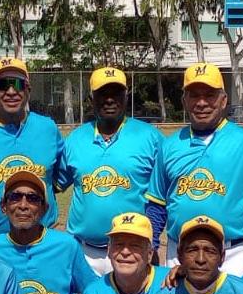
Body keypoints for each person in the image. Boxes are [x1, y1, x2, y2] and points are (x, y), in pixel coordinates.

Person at [148, 63, 243, 275]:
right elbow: (156, 203)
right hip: (180, 251)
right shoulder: (169, 145)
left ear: (223, 99)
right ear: (184, 101)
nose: (201, 103)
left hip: (234, 252)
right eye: (194, 95)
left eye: (210, 95)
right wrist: (152, 245)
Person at [61, 66, 165, 273]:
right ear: (91, 99)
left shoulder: (150, 137)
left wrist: (151, 243)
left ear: (126, 96)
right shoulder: (75, 139)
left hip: (131, 252)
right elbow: (53, 184)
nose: (109, 99)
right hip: (83, 252)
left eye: (116, 93)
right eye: (102, 94)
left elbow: (162, 196)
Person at [0, 57, 64, 235]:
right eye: (3, 85)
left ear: (28, 90)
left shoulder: (47, 128)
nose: (11, 91)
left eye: (18, 84)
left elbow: (56, 179)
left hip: (44, 240)